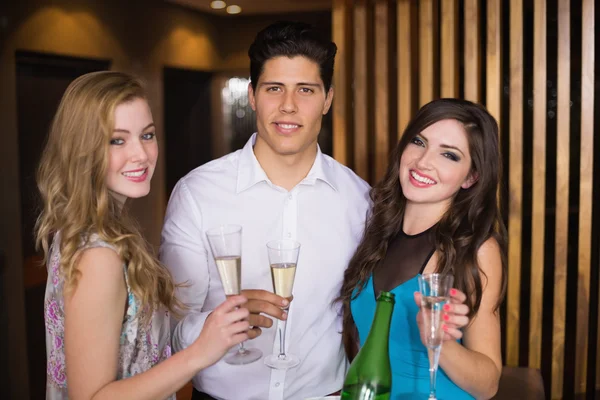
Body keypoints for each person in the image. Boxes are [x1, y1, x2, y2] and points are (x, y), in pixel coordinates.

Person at [160, 21, 371, 400]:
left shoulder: (361, 201)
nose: (288, 105)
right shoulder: (197, 193)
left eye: (305, 90)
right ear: (253, 95)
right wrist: (216, 326)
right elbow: (169, 326)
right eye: (274, 88)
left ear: (327, 99)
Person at [36, 71, 250, 400]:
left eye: (147, 135)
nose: (140, 154)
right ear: (83, 149)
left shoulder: (98, 230)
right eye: (117, 140)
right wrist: (201, 352)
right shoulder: (98, 256)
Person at [339, 98, 507, 400]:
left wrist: (442, 342)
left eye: (449, 155)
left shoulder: (477, 250)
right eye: (419, 142)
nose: (423, 161)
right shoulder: (376, 228)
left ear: (471, 177)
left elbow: (488, 383)